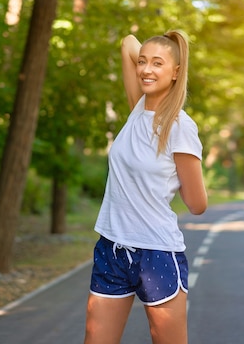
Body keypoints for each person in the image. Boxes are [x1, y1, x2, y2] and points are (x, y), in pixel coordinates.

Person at [84, 30, 207, 344]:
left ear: (177, 72)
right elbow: (127, 41)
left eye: (158, 64)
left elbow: (197, 204)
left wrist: (174, 177)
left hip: (156, 252)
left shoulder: (181, 126)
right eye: (142, 63)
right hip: (111, 248)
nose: (146, 70)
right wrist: (165, 49)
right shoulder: (137, 109)